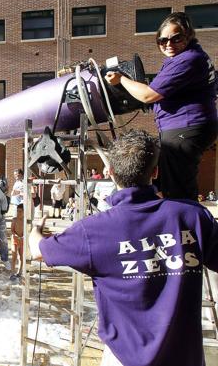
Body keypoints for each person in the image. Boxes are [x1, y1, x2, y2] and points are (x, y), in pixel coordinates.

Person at [29, 130, 218, 366]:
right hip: (184, 357)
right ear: (155, 172)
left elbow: (38, 251)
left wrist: (34, 230)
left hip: (124, 359)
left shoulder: (93, 231)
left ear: (109, 172)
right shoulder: (192, 216)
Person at [105, 12, 217, 201]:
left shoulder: (188, 59)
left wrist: (120, 79)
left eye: (176, 38)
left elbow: (148, 95)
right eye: (163, 40)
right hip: (186, 128)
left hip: (185, 127)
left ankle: (187, 227)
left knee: (178, 189)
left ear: (188, 36)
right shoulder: (184, 58)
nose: (169, 44)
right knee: (163, 180)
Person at [10, 204, 24, 277]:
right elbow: (12, 230)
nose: (18, 213)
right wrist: (14, 235)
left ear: (24, 212)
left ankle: (20, 271)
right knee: (14, 256)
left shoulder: (25, 221)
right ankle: (12, 273)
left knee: (21, 257)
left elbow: (27, 231)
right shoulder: (14, 219)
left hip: (22, 240)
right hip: (15, 239)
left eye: (20, 211)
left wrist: (23, 236)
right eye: (17, 211)